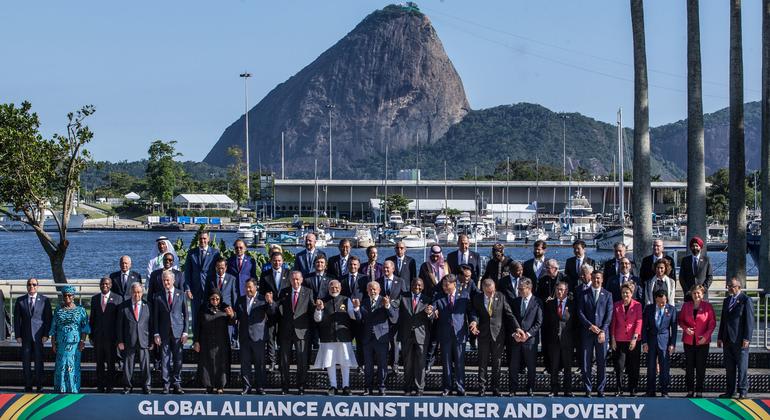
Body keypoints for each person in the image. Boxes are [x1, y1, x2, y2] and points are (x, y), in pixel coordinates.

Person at [470, 278, 520, 397]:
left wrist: (517, 328)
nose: (491, 294)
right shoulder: (477, 298)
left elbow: (509, 314)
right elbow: (474, 313)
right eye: (488, 292)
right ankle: (482, 388)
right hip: (483, 335)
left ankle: (495, 388)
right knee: (482, 362)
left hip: (498, 335)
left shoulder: (501, 296)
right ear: (483, 289)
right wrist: (473, 322)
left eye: (493, 291)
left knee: (496, 363)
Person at [313, 280, 358, 395]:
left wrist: (356, 307)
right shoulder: (322, 300)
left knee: (345, 362)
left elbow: (353, 316)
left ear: (340, 288)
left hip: (343, 336)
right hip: (327, 336)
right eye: (332, 287)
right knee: (330, 362)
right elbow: (317, 319)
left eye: (336, 287)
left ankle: (346, 386)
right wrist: (319, 309)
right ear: (328, 288)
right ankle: (333, 386)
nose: (334, 289)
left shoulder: (346, 300)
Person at [431, 274, 472, 396]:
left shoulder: (464, 295)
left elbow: (470, 312)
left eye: (447, 286)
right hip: (445, 334)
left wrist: (474, 321)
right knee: (446, 362)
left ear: (454, 284)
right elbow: (432, 310)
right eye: (443, 285)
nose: (444, 288)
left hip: (459, 334)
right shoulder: (438, 296)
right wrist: (430, 312)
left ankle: (460, 387)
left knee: (460, 362)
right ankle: (447, 387)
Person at [356, 281, 398, 396]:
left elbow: (394, 317)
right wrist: (356, 309)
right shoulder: (364, 302)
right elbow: (359, 319)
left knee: (382, 364)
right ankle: (368, 388)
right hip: (367, 338)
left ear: (379, 290)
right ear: (367, 291)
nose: (372, 291)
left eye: (374, 289)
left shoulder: (384, 300)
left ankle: (382, 387)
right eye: (370, 289)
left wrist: (388, 306)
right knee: (368, 365)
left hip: (381, 338)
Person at [277, 271, 315, 395]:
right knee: (284, 361)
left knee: (302, 361)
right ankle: (285, 386)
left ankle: (301, 386)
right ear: (290, 280)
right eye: (293, 279)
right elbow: (279, 310)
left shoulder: (308, 292)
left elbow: (311, 312)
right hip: (285, 331)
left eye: (298, 279)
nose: (295, 281)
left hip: (302, 331)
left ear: (302, 279)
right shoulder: (284, 292)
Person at [235, 279, 275, 395]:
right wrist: (232, 315)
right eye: (246, 287)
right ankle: (247, 387)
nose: (248, 289)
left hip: (258, 337)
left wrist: (270, 302)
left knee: (260, 363)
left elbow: (272, 312)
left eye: (250, 287)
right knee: (245, 363)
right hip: (244, 337)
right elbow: (236, 316)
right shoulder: (241, 300)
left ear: (256, 287)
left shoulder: (263, 299)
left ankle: (260, 387)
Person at [717, 276, 755, 399]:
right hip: (727, 338)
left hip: (740, 340)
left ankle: (743, 390)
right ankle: (730, 391)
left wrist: (747, 338)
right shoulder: (727, 300)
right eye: (728, 286)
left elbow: (749, 321)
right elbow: (723, 320)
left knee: (742, 366)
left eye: (731, 286)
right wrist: (720, 337)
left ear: (739, 287)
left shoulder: (745, 300)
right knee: (729, 367)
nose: (729, 288)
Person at [152, 271, 189, 394]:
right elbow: (155, 317)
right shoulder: (157, 296)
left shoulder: (181, 294)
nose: (166, 282)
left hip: (178, 332)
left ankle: (177, 383)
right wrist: (156, 333)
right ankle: (166, 384)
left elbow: (186, 314)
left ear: (173, 280)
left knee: (178, 359)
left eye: (168, 280)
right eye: (164, 280)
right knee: (165, 359)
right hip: (163, 333)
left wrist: (185, 332)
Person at [577, 270, 612, 397]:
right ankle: (588, 388)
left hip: (602, 334)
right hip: (587, 332)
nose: (596, 280)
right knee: (586, 362)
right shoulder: (584, 294)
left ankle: (601, 389)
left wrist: (602, 330)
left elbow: (609, 314)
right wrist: (590, 326)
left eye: (598, 278)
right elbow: (580, 312)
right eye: (594, 278)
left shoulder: (608, 295)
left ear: (602, 279)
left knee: (601, 361)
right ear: (590, 278)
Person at [193, 288, 235, 394]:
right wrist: (196, 341)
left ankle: (220, 386)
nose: (215, 301)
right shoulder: (203, 308)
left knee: (221, 364)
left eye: (217, 299)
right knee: (207, 364)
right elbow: (197, 326)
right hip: (206, 341)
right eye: (212, 299)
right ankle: (209, 386)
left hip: (221, 342)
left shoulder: (225, 308)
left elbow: (232, 323)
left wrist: (231, 316)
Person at [14, 278, 52, 392]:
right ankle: (28, 384)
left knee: (39, 360)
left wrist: (46, 334)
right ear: (27, 286)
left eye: (34, 284)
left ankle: (39, 384)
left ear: (37, 286)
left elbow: (48, 318)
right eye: (29, 284)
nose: (32, 286)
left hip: (39, 336)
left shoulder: (45, 300)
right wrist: (17, 335)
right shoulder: (20, 300)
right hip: (25, 336)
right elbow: (16, 319)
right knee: (26, 361)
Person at [49, 285, 89, 393]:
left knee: (73, 366)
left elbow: (85, 327)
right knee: (61, 366)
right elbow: (54, 327)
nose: (67, 297)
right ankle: (61, 389)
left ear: (73, 296)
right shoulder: (58, 309)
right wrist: (53, 343)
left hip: (75, 344)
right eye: (65, 295)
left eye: (69, 295)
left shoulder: (81, 310)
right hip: (61, 343)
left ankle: (73, 389)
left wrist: (82, 341)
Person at [678, 284, 716, 398]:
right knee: (689, 367)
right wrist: (685, 328)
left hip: (702, 342)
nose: (696, 295)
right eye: (694, 293)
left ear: (702, 294)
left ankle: (699, 390)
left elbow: (712, 323)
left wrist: (706, 336)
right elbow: (680, 320)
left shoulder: (708, 306)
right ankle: (690, 390)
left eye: (698, 293)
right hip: (689, 341)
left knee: (700, 367)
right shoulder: (686, 306)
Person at [398, 278, 433, 396]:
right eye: (414, 285)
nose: (417, 287)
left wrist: (429, 314)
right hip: (406, 335)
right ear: (411, 285)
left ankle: (419, 388)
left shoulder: (427, 300)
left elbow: (431, 318)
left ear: (422, 287)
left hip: (421, 336)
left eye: (419, 285)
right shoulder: (403, 298)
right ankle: (407, 388)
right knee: (407, 363)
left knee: (421, 364)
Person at [542, 280, 577, 397]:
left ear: (566, 291)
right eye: (557, 289)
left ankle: (568, 390)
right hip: (553, 341)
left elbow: (575, 323)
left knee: (567, 367)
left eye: (562, 290)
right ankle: (554, 389)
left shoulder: (572, 304)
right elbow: (545, 324)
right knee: (554, 366)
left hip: (568, 341)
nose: (559, 292)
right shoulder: (549, 304)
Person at [89, 276, 123, 393]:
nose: (105, 286)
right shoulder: (94, 299)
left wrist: (119, 338)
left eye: (107, 284)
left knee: (110, 363)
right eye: (103, 284)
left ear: (111, 285)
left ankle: (110, 386)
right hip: (98, 337)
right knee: (99, 363)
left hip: (112, 338)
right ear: (100, 285)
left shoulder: (118, 299)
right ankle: (100, 385)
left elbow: (119, 321)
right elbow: (92, 319)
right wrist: (91, 335)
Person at [117, 282, 151, 394]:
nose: (137, 295)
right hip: (128, 340)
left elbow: (151, 325)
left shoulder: (148, 306)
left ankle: (146, 386)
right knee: (128, 365)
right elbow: (119, 325)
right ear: (131, 292)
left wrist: (151, 341)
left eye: (139, 292)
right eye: (135, 292)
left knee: (145, 365)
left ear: (142, 293)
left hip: (144, 340)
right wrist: (120, 341)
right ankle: (127, 387)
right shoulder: (124, 306)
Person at [509, 278, 542, 396]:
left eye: (521, 289)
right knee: (514, 365)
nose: (519, 291)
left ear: (529, 288)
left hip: (530, 340)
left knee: (531, 365)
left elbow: (538, 322)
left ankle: (530, 388)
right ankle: (513, 389)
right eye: (518, 288)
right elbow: (511, 319)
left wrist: (527, 335)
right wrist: (515, 333)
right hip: (517, 339)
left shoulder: (537, 302)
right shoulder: (515, 301)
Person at [641, 289, 677, 397]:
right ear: (655, 299)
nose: (662, 304)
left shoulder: (672, 309)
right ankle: (650, 391)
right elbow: (644, 327)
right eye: (659, 301)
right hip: (651, 341)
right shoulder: (648, 309)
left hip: (664, 342)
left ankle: (664, 391)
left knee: (664, 367)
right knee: (651, 367)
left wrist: (672, 344)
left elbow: (674, 329)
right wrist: (644, 342)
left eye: (664, 301)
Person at [610, 282, 643, 396]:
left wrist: (635, 338)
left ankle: (633, 389)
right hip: (619, 339)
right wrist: (613, 339)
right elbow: (613, 322)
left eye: (627, 293)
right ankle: (619, 388)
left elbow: (639, 321)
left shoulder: (637, 305)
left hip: (633, 340)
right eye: (623, 292)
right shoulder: (616, 305)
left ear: (631, 293)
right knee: (619, 366)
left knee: (633, 366)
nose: (625, 295)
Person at [259, 251, 290, 371]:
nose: (277, 263)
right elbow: (261, 293)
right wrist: (267, 303)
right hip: (270, 309)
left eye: (279, 260)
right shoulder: (265, 275)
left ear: (282, 262)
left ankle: (282, 363)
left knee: (282, 337)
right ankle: (272, 362)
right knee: (271, 337)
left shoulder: (288, 273)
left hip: (284, 310)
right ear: (271, 261)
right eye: (275, 260)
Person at [184, 231, 220, 334]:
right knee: (196, 316)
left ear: (208, 239)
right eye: (200, 239)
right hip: (195, 291)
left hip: (210, 290)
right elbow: (187, 272)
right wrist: (188, 289)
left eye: (204, 238)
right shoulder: (191, 253)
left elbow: (218, 272)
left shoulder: (215, 253)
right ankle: (196, 341)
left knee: (210, 316)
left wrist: (216, 291)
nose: (202, 241)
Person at [379, 260, 406, 373]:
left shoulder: (400, 281)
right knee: (382, 342)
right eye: (384, 268)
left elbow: (404, 298)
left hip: (395, 316)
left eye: (388, 268)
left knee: (394, 342)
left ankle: (395, 365)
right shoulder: (378, 281)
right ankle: (382, 364)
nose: (385, 270)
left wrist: (391, 304)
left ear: (393, 269)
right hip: (381, 317)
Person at [679, 236, 713, 302]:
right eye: (693, 246)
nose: (695, 248)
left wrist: (703, 289)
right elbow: (681, 277)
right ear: (691, 247)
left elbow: (710, 276)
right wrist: (687, 291)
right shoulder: (685, 260)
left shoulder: (706, 260)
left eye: (697, 246)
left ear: (700, 247)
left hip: (702, 296)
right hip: (689, 295)